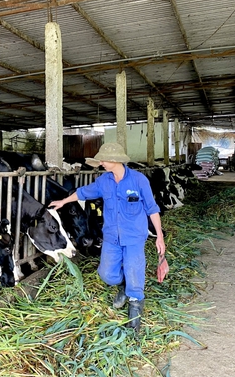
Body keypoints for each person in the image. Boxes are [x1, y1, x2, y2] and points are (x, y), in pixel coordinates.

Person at [49, 142, 167, 333]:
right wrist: (63, 201)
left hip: (134, 236)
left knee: (134, 269)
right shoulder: (104, 181)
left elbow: (152, 209)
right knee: (106, 274)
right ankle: (123, 285)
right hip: (112, 237)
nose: (101, 163)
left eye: (103, 159)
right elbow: (83, 192)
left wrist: (159, 236)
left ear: (114, 160)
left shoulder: (138, 180)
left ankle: (135, 310)